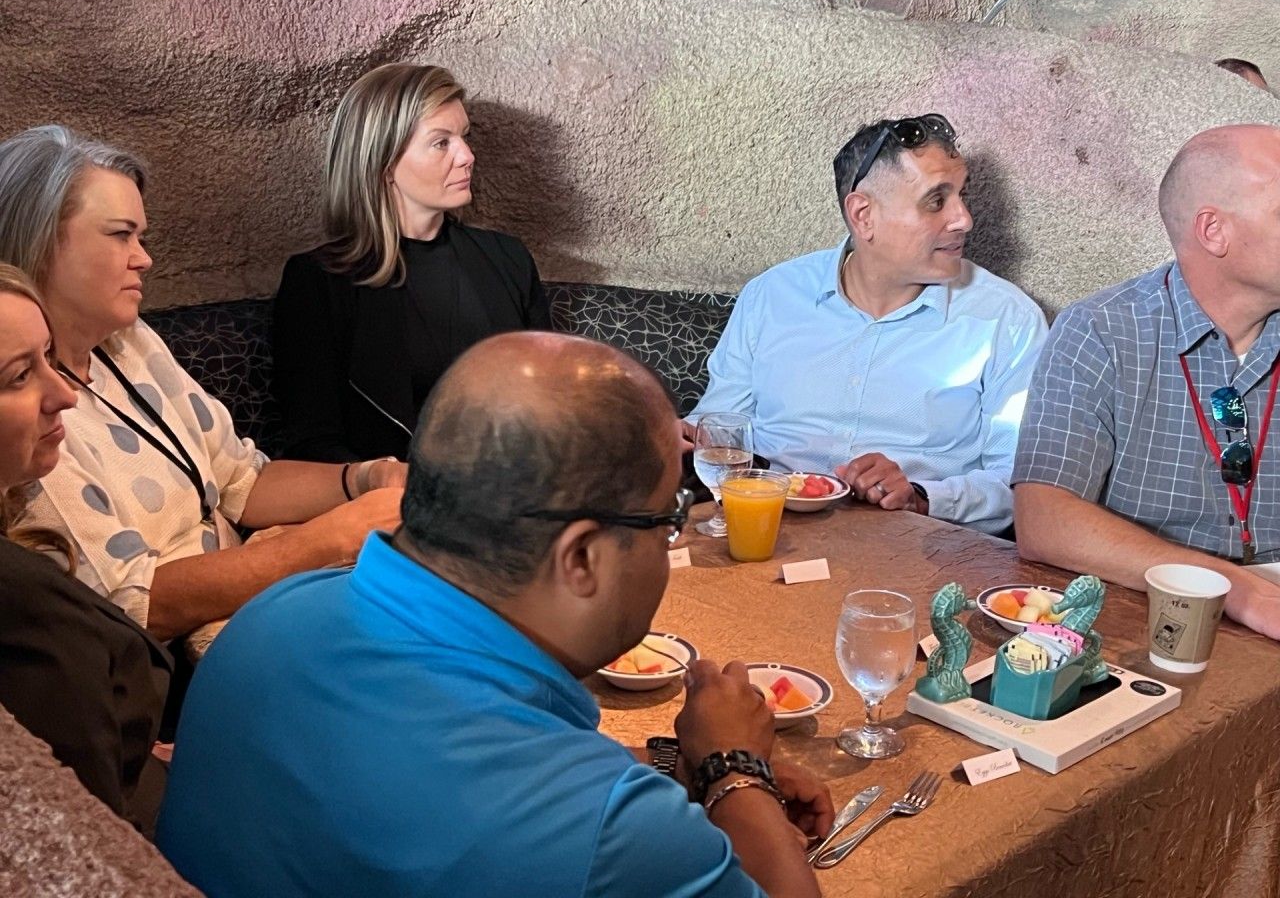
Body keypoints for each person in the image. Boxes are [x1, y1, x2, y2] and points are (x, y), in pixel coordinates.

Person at [158, 332, 833, 898]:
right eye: (666, 518)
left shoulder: (267, 620)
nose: (669, 538)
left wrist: (672, 763)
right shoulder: (611, 831)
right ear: (582, 559)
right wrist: (734, 770)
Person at [0, 125, 406, 642]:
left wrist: (366, 478)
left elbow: (242, 483)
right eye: (121, 234)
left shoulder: (129, 342)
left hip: (259, 613)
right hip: (179, 666)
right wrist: (322, 543)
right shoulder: (28, 416)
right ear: (39, 243)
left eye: (141, 237)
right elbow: (127, 606)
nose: (143, 257)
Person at [688, 114, 1047, 535]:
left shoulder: (1007, 319)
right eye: (936, 201)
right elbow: (721, 424)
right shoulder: (772, 295)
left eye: (961, 196)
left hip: (918, 548)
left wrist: (922, 496)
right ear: (863, 215)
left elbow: (1022, 485)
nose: (963, 219)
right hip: (767, 529)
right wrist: (679, 436)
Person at [1014, 123, 1280, 641]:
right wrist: (1233, 587)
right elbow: (1043, 520)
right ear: (1213, 231)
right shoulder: (1101, 330)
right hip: (1147, 618)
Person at [272, 62, 552, 462]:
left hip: (516, 491)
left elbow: (552, 401)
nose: (467, 156)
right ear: (384, 164)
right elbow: (314, 443)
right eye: (442, 143)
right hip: (390, 506)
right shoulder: (318, 282)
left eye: (464, 138)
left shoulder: (507, 258)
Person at [0, 266, 172, 834]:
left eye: (50, 357)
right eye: (20, 375)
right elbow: (89, 823)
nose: (65, 395)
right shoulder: (21, 603)